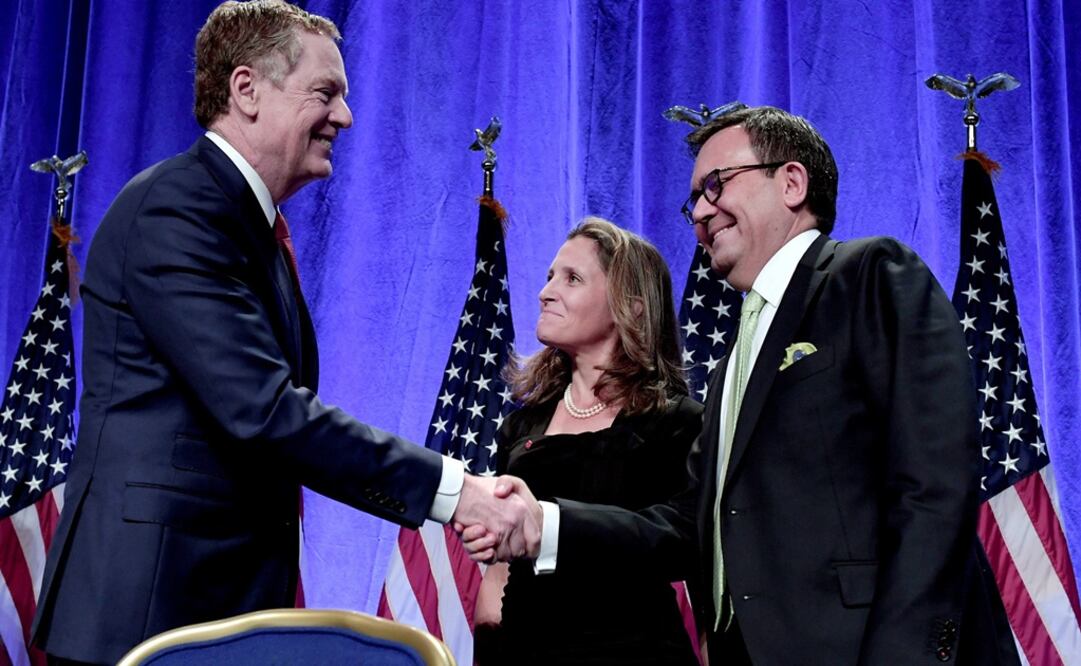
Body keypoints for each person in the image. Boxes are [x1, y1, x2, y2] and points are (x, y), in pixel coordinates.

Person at [30, 2, 536, 663]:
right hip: (148, 616)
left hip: (215, 605)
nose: (345, 117)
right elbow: (265, 409)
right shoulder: (177, 209)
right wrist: (454, 491)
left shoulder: (246, 226)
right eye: (325, 92)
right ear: (246, 91)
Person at [466, 106, 1018, 665]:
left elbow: (935, 481)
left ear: (792, 182)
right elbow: (687, 527)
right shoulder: (736, 359)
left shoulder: (869, 274)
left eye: (716, 185)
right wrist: (546, 525)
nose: (701, 212)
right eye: (694, 200)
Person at [472, 218, 702, 665]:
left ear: (631, 307)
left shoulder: (677, 424)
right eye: (549, 277)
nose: (546, 292)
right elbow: (499, 575)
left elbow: (691, 552)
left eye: (572, 278)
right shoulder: (521, 429)